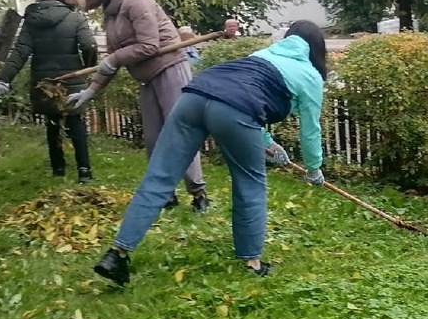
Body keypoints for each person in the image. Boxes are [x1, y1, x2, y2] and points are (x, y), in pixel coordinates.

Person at [91, 21, 328, 286]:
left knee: (159, 177)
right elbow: (310, 130)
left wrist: (268, 143)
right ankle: (252, 262)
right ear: (319, 49)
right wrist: (313, 168)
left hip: (193, 97)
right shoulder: (310, 75)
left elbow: (244, 91)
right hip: (235, 111)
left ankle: (116, 254)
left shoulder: (262, 55)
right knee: (249, 184)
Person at [68, 0, 210, 212]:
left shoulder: (136, 0)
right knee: (154, 138)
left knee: (179, 134)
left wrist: (114, 58)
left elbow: (149, 45)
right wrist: (91, 90)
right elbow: (112, 59)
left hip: (170, 70)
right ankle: (164, 193)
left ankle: (199, 194)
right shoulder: (110, 12)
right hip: (146, 78)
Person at [0, 0, 98, 182]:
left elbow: (20, 52)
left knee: (52, 123)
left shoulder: (32, 21)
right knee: (75, 121)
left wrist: (4, 79)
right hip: (71, 80)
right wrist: (88, 67)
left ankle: (58, 169)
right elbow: (89, 45)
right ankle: (84, 171)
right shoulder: (75, 18)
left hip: (44, 82)